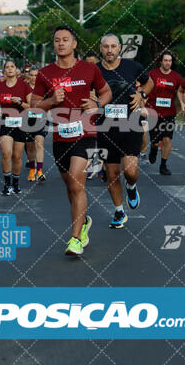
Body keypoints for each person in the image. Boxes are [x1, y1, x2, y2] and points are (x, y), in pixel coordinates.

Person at [31, 26, 111, 256]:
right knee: (70, 186)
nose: (61, 43)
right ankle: (84, 221)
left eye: (66, 40)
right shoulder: (45, 73)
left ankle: (75, 239)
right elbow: (34, 105)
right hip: (60, 136)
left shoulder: (89, 69)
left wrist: (98, 106)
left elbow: (105, 92)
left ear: (74, 44)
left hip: (85, 133)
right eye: (57, 40)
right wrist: (51, 101)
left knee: (77, 184)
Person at [96, 34, 153, 229]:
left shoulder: (132, 66)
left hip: (131, 125)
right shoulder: (94, 70)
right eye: (106, 46)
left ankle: (131, 186)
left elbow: (149, 82)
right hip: (105, 128)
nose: (109, 50)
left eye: (113, 46)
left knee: (130, 170)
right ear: (101, 48)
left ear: (119, 48)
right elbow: (87, 91)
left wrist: (142, 94)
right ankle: (119, 211)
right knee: (111, 174)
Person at [0, 60, 32, 196]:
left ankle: (15, 183)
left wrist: (21, 102)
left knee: (17, 156)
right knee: (6, 153)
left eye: (12, 66)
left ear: (17, 69)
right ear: (4, 70)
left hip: (21, 123)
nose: (10, 69)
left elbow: (32, 105)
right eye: (7, 67)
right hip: (5, 123)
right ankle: (7, 184)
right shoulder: (0, 87)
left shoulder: (24, 86)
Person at [146, 50, 183, 175]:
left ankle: (163, 165)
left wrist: (184, 104)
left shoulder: (177, 77)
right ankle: (153, 148)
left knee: (167, 139)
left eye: (170, 61)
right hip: (153, 113)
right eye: (165, 60)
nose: (168, 63)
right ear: (161, 61)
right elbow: (144, 89)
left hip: (169, 113)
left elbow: (182, 92)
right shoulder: (152, 74)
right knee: (155, 141)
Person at [25, 66, 47, 182]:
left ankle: (39, 171)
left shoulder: (45, 87)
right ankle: (32, 169)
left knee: (39, 143)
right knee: (30, 146)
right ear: (28, 76)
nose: (34, 78)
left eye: (36, 75)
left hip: (40, 119)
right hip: (27, 120)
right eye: (32, 75)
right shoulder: (24, 87)